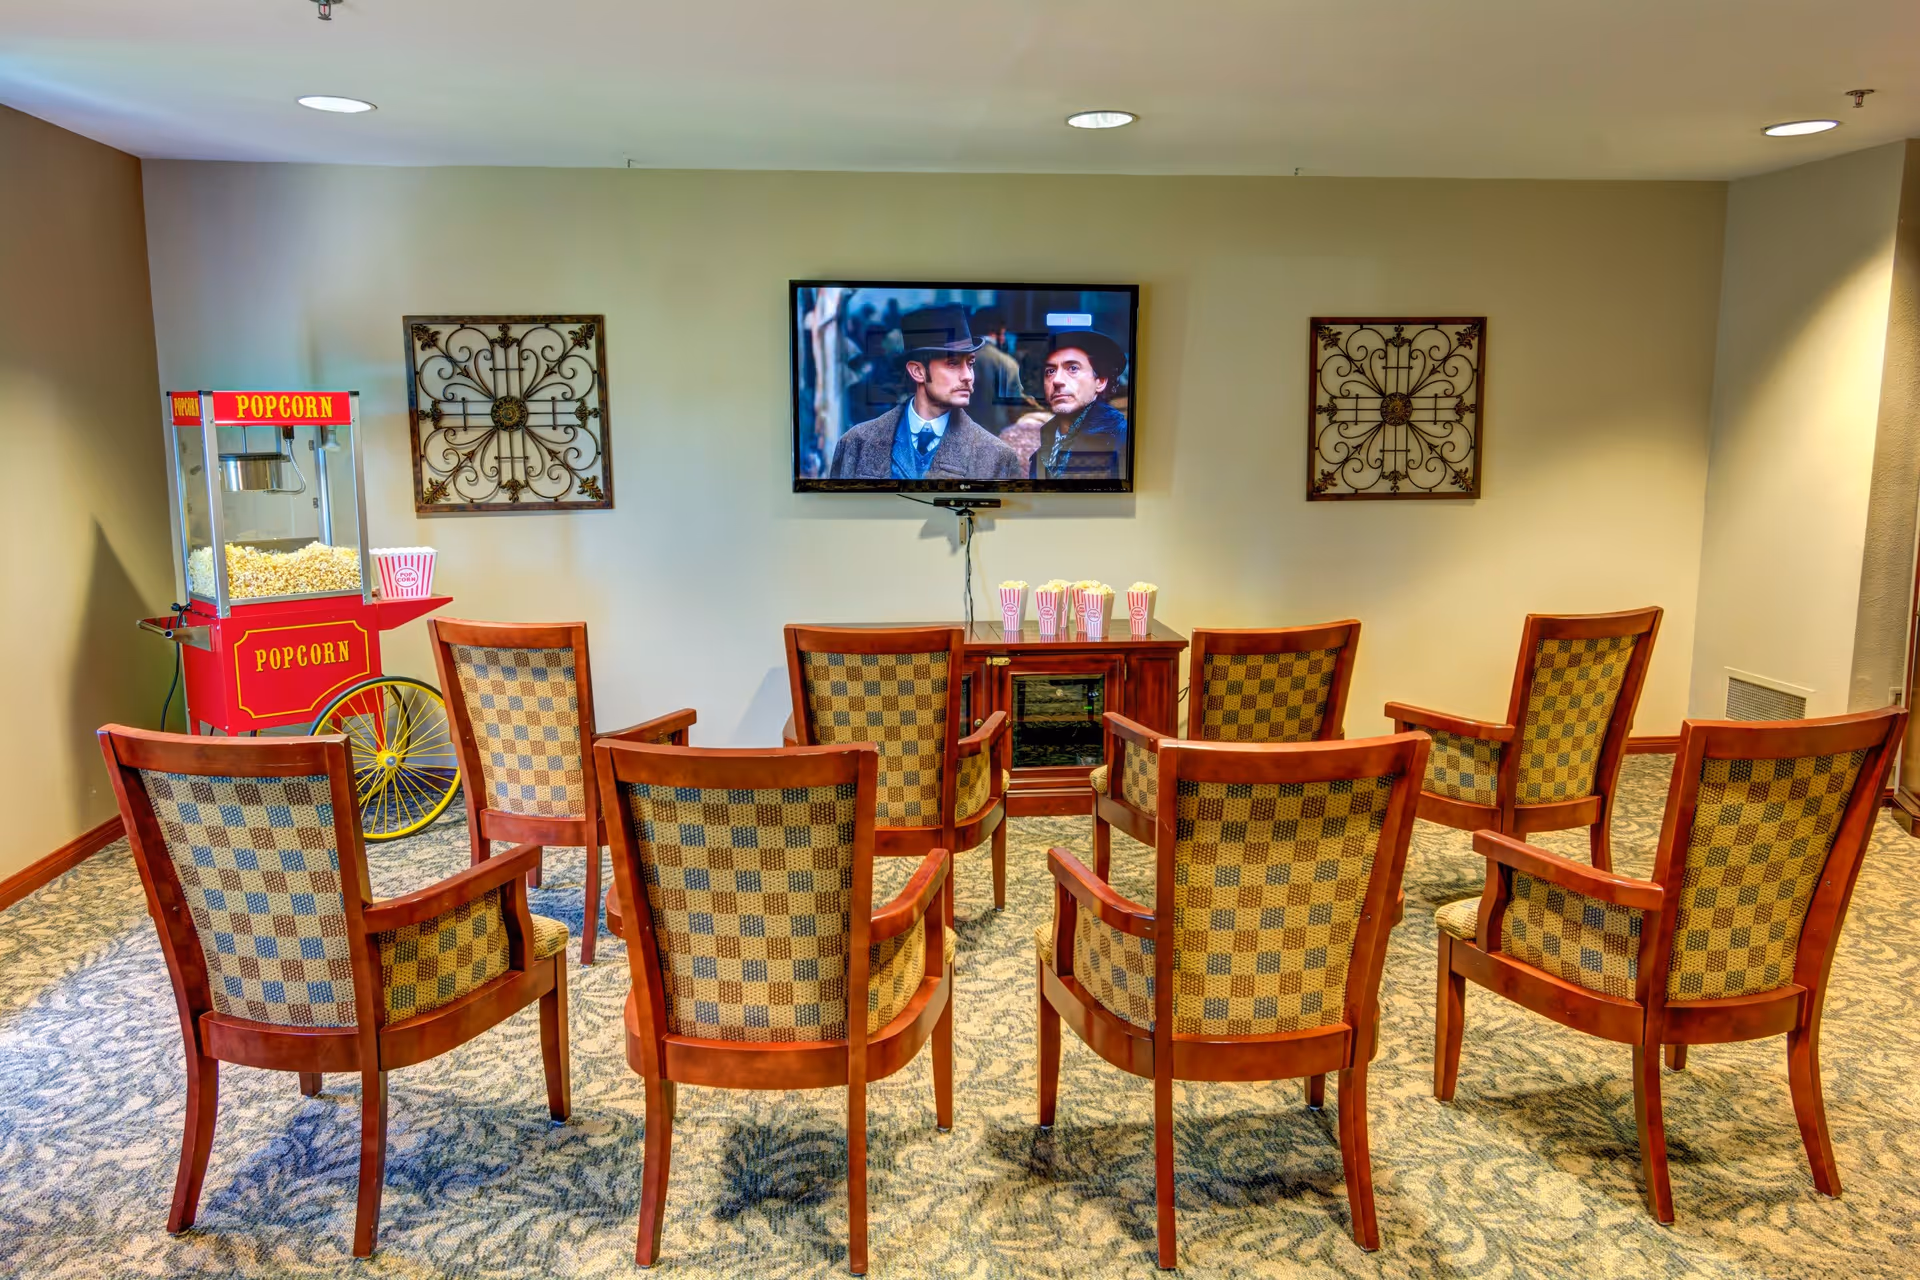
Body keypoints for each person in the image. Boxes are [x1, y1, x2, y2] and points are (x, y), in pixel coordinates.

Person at [827, 305, 1023, 481]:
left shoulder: (998, 457)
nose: (968, 376)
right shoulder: (856, 444)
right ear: (917, 371)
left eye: (970, 363)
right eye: (952, 363)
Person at [1028, 329, 1130, 481]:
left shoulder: (1120, 437)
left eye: (1073, 368)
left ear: (1100, 381)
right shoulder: (1045, 446)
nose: (1057, 380)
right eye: (1050, 371)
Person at [966, 306, 1029, 437]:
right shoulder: (1007, 363)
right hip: (997, 438)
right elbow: (1015, 409)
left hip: (962, 439)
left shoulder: (958, 360)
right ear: (1000, 331)